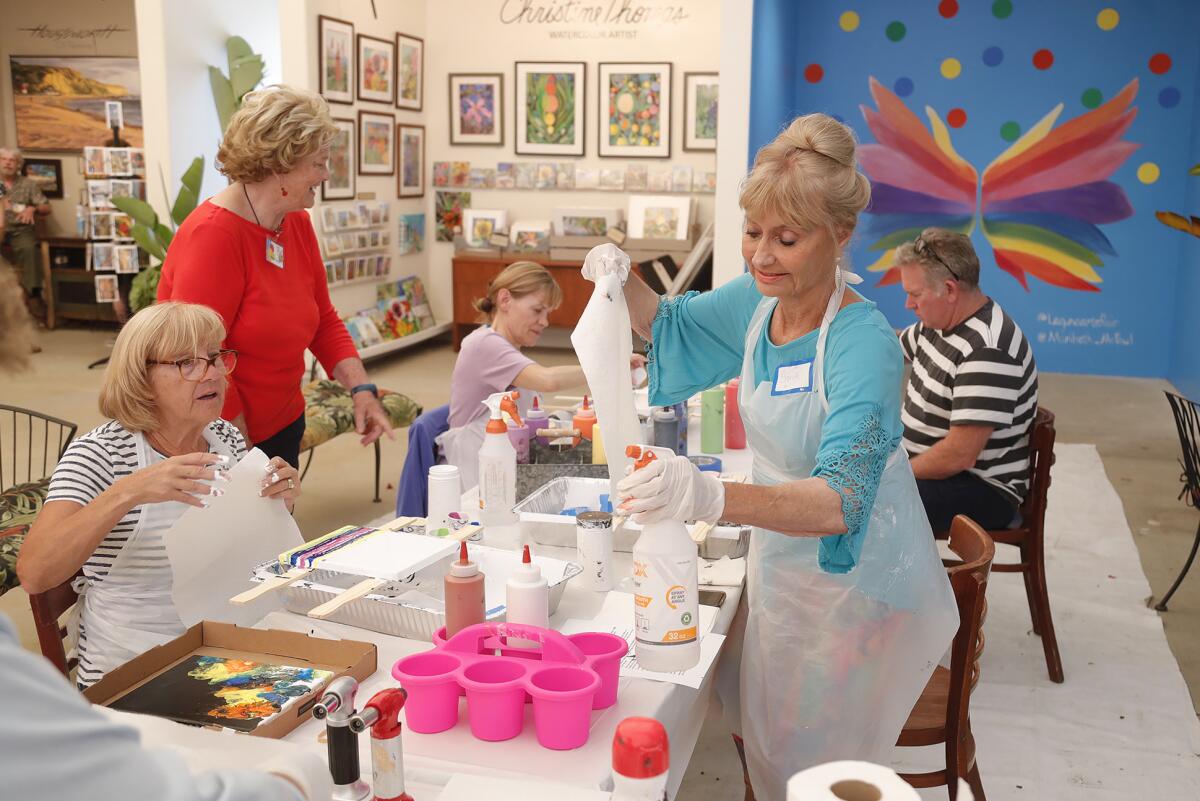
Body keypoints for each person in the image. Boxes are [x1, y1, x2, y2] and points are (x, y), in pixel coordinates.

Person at [604, 114, 958, 800]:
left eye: (787, 239)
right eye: (753, 233)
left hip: (858, 585)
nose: (762, 255)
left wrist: (708, 496)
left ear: (841, 235)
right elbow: (667, 326)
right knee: (764, 743)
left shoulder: (865, 346)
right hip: (781, 565)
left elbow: (837, 501)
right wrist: (619, 271)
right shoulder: (760, 303)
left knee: (818, 768)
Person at [16, 302, 302, 688]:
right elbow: (36, 573)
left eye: (216, 357)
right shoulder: (100, 455)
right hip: (136, 672)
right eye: (188, 362)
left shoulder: (224, 437)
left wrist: (277, 504)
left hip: (226, 650)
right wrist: (128, 492)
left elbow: (240, 549)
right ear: (140, 376)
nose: (213, 374)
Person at [157, 85, 393, 468]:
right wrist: (240, 451)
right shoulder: (214, 236)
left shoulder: (293, 222)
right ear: (281, 163)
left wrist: (362, 390)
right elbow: (197, 359)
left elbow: (323, 320)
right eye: (319, 163)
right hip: (216, 432)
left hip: (282, 420)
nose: (326, 174)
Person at [441, 260, 643, 489]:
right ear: (505, 299)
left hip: (500, 466)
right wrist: (610, 366)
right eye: (537, 310)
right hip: (477, 477)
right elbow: (548, 380)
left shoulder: (505, 350)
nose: (544, 322)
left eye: (547, 313)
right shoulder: (483, 345)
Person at [894, 228, 1039, 532]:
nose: (908, 304)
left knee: (868, 504)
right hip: (934, 469)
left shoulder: (988, 348)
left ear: (949, 289)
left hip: (981, 487)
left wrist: (891, 472)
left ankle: (897, 579)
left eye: (915, 294)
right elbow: (893, 345)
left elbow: (958, 455)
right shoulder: (940, 322)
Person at [0, 147, 52, 307]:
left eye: (12, 160)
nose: (7, 163)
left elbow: (46, 207)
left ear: (18, 165)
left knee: (29, 248)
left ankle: (33, 294)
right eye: (4, 159)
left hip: (20, 229)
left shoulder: (28, 184)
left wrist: (33, 208)